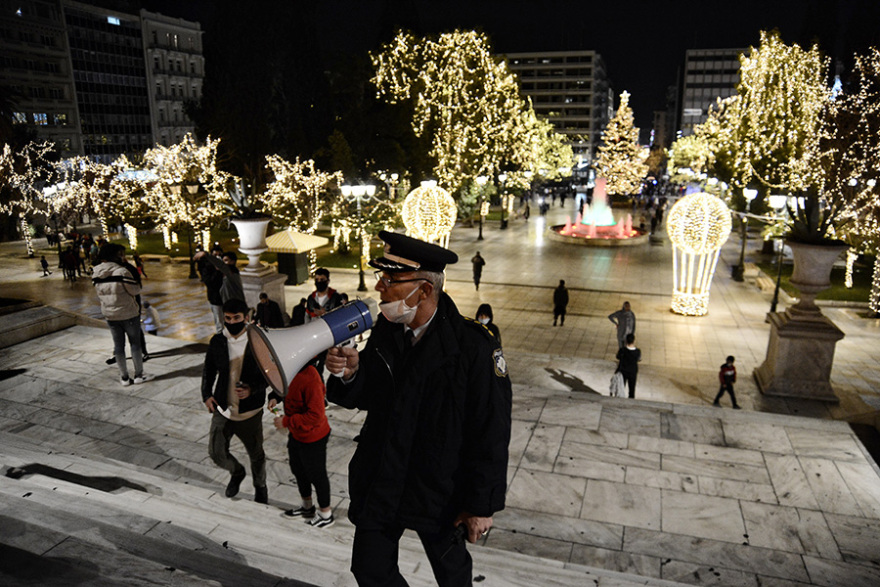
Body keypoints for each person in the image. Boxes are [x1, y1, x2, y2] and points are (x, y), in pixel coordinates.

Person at [325, 230, 512, 587]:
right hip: (384, 475)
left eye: (391, 278)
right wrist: (353, 372)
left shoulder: (474, 347)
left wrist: (480, 505)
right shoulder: (389, 328)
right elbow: (375, 391)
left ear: (424, 290)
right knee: (369, 569)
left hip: (439, 487)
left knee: (452, 575)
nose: (380, 286)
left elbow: (491, 428)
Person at [201, 298, 270, 504]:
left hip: (250, 411)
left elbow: (269, 374)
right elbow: (209, 369)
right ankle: (237, 471)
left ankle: (261, 487)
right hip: (223, 407)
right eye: (228, 318)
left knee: (256, 454)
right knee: (216, 452)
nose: (231, 322)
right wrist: (206, 394)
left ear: (246, 317)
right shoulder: (218, 341)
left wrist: (252, 389)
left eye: (236, 318)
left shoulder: (258, 341)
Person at [272, 361, 334, 528]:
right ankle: (307, 507)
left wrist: (286, 421)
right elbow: (284, 387)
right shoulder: (290, 370)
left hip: (314, 436)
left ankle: (325, 514)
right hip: (297, 433)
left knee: (317, 474)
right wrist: (275, 396)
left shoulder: (311, 378)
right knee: (298, 469)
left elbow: (316, 415)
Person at [92, 244, 152, 386]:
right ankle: (138, 375)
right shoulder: (122, 272)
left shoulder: (95, 272)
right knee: (135, 343)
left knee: (118, 346)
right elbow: (135, 290)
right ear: (115, 255)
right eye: (121, 254)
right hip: (128, 313)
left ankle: (124, 377)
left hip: (110, 314)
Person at [306, 268, 344, 375]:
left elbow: (341, 316)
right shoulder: (311, 298)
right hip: (316, 336)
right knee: (317, 366)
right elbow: (307, 317)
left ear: (328, 280)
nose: (319, 282)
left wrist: (326, 314)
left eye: (322, 279)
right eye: (317, 279)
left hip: (331, 336)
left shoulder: (336, 298)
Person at [196, 246, 225, 333]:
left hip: (227, 298)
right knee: (219, 321)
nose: (217, 257)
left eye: (219, 255)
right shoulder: (208, 268)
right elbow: (209, 282)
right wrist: (217, 271)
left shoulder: (226, 266)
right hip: (215, 298)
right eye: (215, 255)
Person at [615, 333, 641, 398]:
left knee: (621, 388)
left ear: (626, 341)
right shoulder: (637, 351)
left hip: (623, 371)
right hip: (632, 372)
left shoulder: (622, 350)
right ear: (633, 341)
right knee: (632, 389)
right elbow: (638, 359)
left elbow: (618, 357)